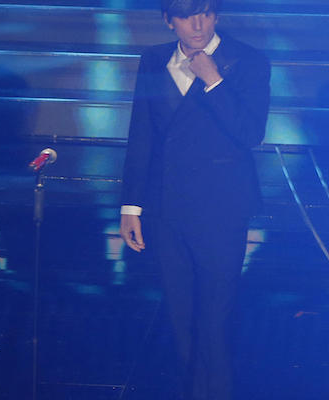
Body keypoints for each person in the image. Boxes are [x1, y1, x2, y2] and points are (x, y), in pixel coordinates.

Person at [119, 1, 270, 399]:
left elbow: (251, 132)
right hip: (167, 209)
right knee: (180, 316)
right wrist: (131, 206)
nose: (198, 24)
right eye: (187, 16)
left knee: (215, 320)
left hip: (221, 210)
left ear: (216, 15)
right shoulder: (153, 59)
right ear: (170, 20)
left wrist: (215, 81)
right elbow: (142, 132)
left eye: (205, 13)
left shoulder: (248, 60)